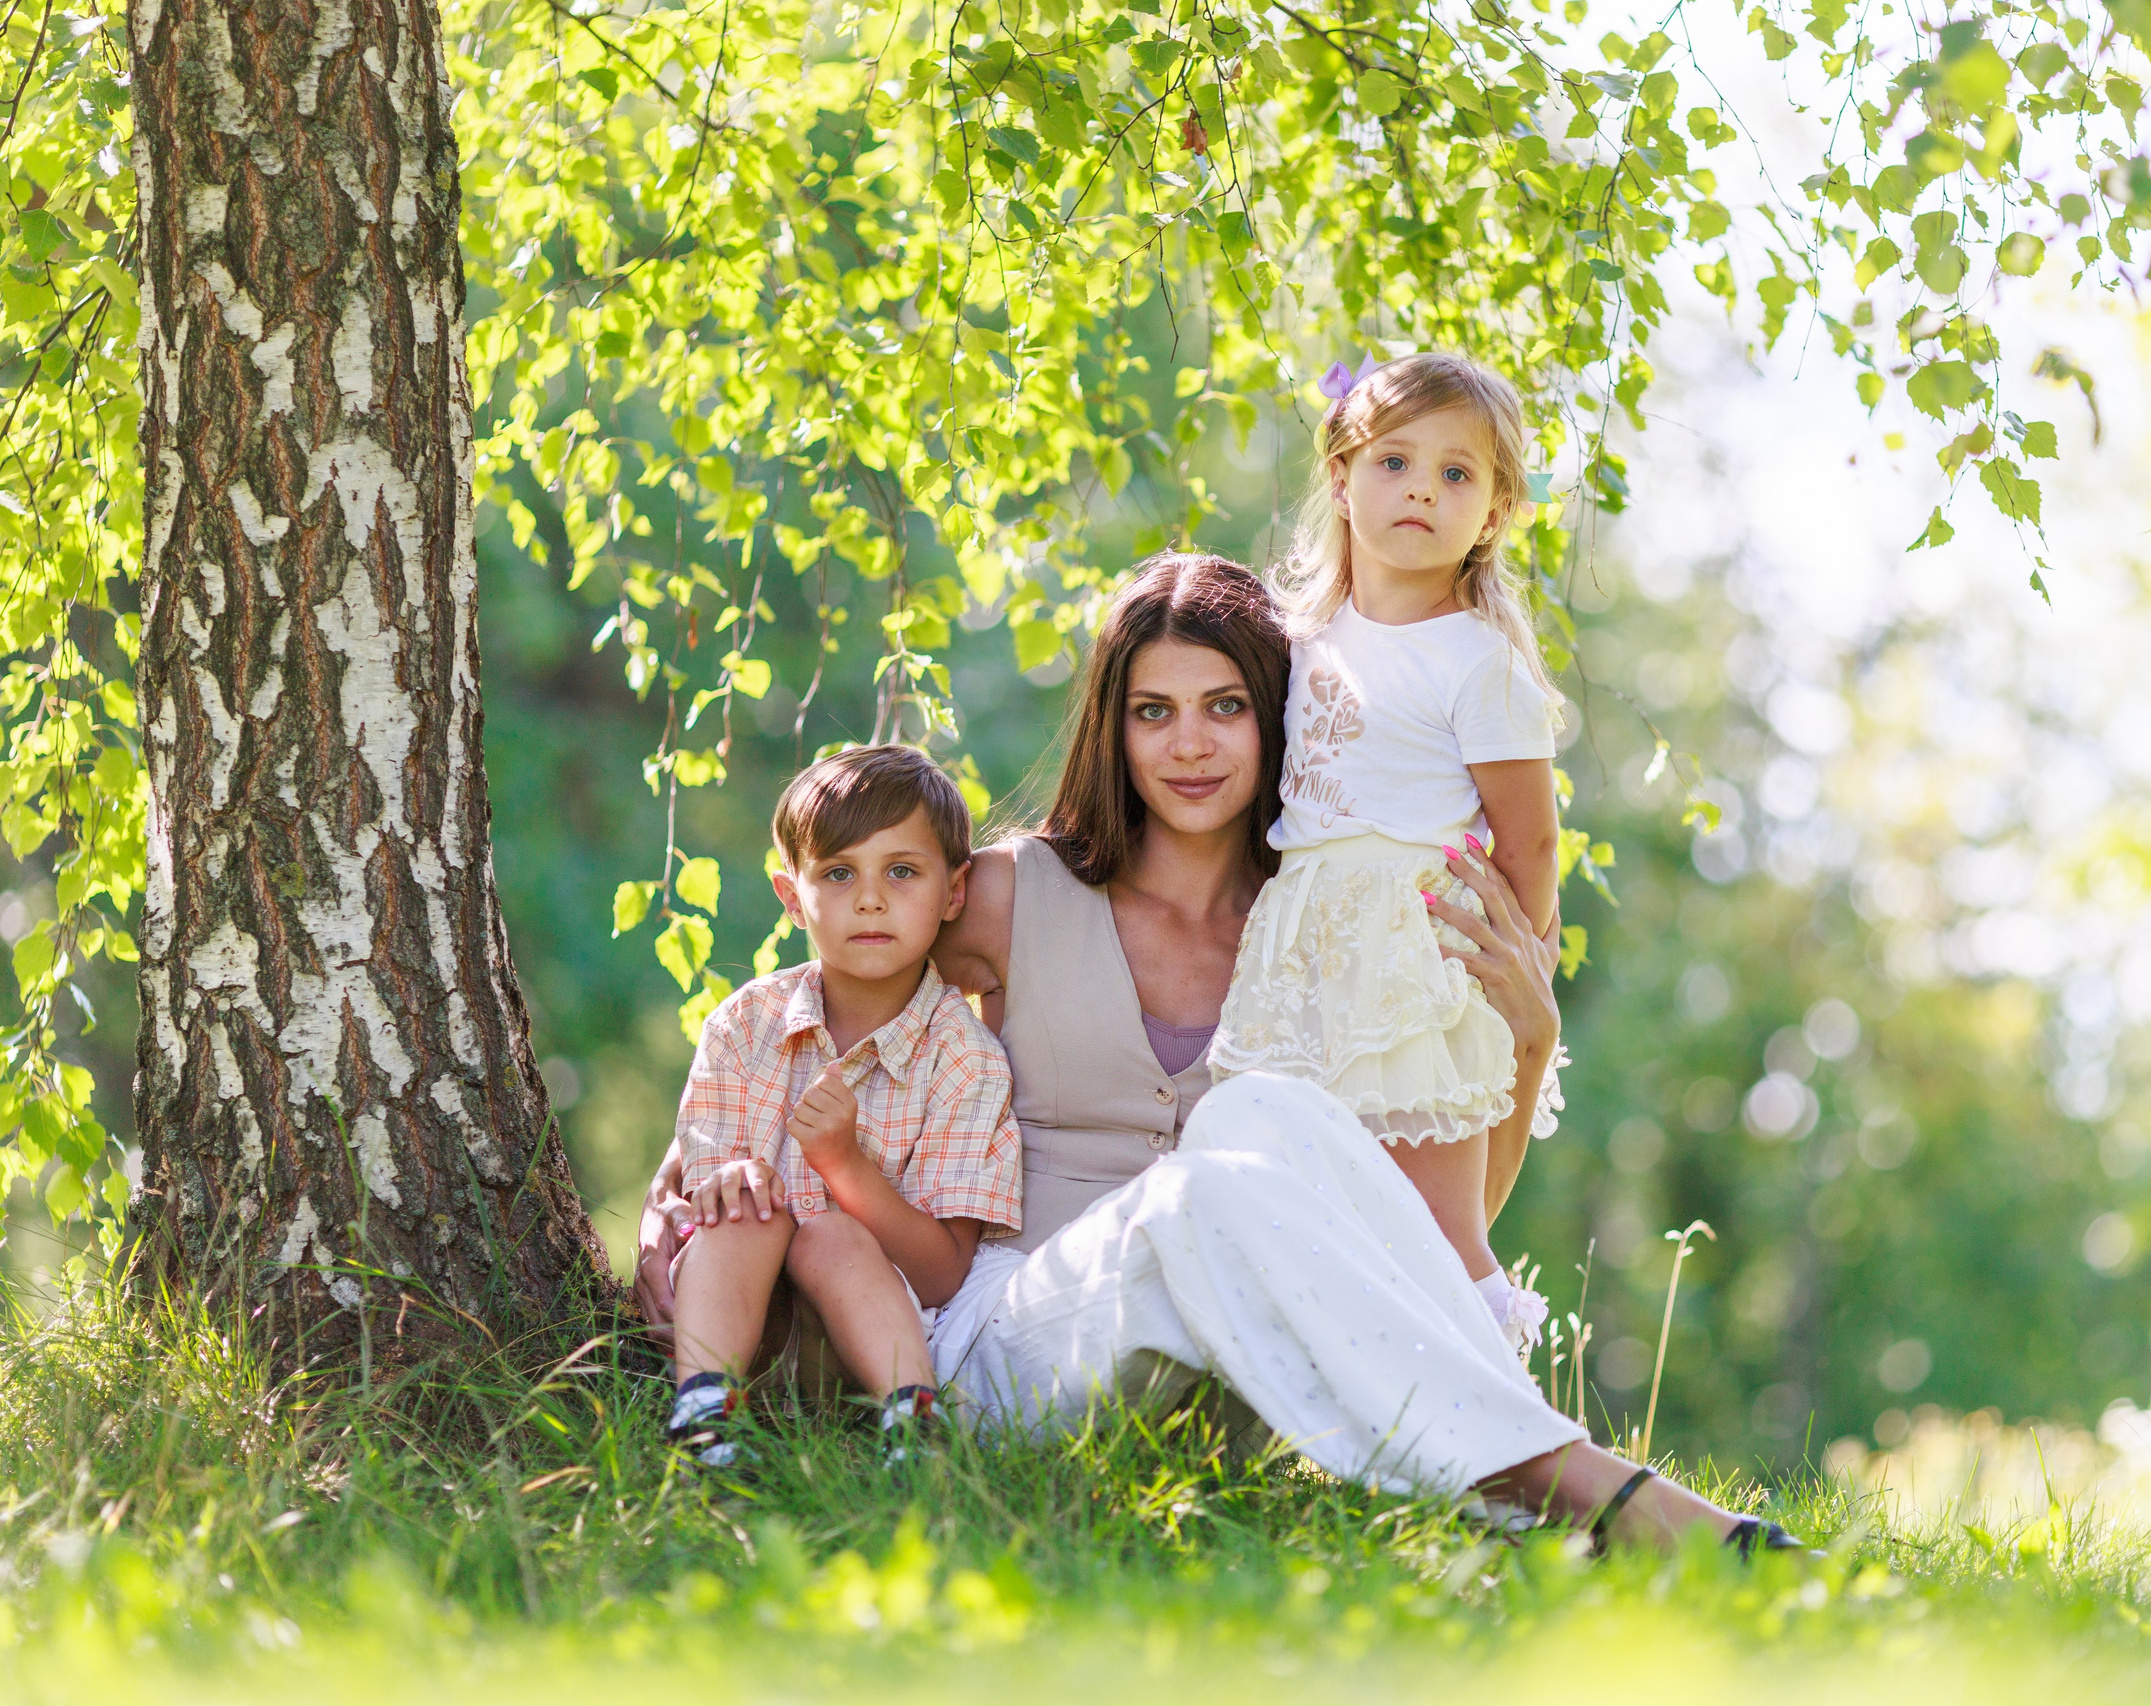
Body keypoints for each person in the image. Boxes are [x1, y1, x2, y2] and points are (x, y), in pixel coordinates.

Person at [637, 554, 1802, 1555]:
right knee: (1219, 1166)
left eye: (1225, 706)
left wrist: (1531, 1041)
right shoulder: (1007, 893)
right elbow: (826, 991)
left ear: (1275, 719)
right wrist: (715, 1177)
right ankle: (1594, 1494)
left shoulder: (1328, 916)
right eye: (1153, 710)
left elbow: (1431, 1230)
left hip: (1226, 1383)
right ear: (1115, 724)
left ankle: (1539, 1481)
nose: (1188, 745)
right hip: (1010, 1345)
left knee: (1272, 1124)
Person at [1207, 352, 1564, 1352]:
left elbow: (1530, 838)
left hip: (1412, 957)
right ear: (1340, 475)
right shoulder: (1304, 632)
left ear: (1493, 513)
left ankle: (1502, 1420)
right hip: (1305, 953)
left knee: (1439, 1231)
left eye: (1459, 474)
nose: (1421, 487)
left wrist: (1509, 973)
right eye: (1395, 460)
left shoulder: (1477, 660)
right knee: (1307, 1203)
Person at [663, 744, 1021, 1466]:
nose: (870, 898)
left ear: (953, 893)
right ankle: (703, 1417)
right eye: (837, 873)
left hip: (860, 1351)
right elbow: (696, 1201)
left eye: (901, 871)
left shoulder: (964, 1054)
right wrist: (732, 1182)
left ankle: (911, 1425)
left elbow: (945, 1274)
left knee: (830, 1234)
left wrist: (844, 1166)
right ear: (792, 898)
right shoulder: (744, 1025)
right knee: (745, 1215)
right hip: (744, 1336)